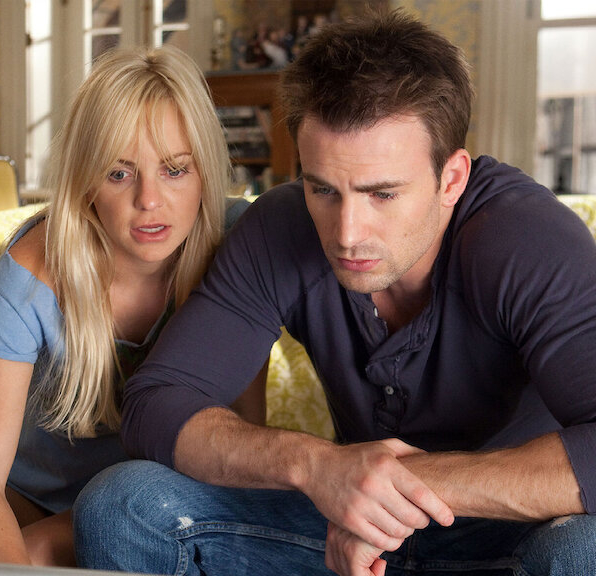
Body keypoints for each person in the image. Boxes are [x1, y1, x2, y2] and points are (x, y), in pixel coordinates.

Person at [74, 10, 596, 576]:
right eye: (323, 189)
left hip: (513, 533)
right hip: (338, 529)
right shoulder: (281, 224)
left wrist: (391, 485)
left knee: (583, 549)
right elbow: (156, 403)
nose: (346, 234)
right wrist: (316, 467)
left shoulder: (525, 237)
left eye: (382, 194)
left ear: (451, 179)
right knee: (122, 506)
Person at [0, 44, 251, 566]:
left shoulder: (238, 247)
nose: (149, 200)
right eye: (119, 173)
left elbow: (244, 433)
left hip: (154, 494)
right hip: (27, 493)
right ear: (85, 181)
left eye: (175, 170)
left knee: (40, 553)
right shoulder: (29, 275)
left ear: (206, 172)